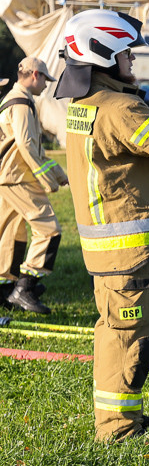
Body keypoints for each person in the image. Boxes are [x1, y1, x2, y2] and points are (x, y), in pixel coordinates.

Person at [54, 9, 149, 441]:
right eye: (126, 53)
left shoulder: (83, 105)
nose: (132, 61)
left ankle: (121, 418)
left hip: (105, 249)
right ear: (102, 55)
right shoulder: (121, 106)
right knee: (132, 338)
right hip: (128, 251)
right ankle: (119, 429)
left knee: (114, 332)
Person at [0, 57, 66, 313]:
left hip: (7, 176)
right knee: (49, 230)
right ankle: (25, 288)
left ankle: (5, 288)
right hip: (19, 177)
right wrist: (49, 179)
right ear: (35, 75)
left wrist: (59, 173)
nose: (46, 87)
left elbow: (24, 146)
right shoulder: (23, 102)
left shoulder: (9, 100)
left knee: (10, 234)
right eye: (46, 81)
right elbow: (28, 146)